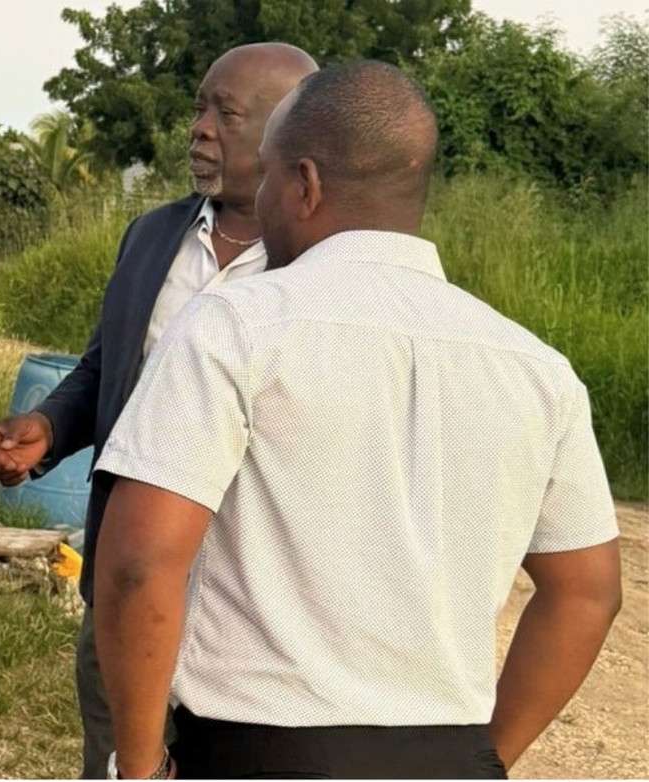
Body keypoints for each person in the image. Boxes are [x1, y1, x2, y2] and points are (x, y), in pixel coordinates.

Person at [92, 60, 622, 779]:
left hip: (258, 754)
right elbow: (589, 590)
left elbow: (139, 564)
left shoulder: (236, 327)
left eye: (273, 176)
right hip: (448, 758)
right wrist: (487, 760)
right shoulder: (535, 367)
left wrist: (142, 764)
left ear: (304, 185)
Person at [0, 43, 317, 777]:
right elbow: (108, 367)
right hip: (129, 577)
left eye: (224, 114)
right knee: (118, 755)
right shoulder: (151, 237)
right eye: (198, 107)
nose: (197, 129)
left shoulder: (321, 265)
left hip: (257, 596)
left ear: (290, 138)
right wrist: (53, 427)